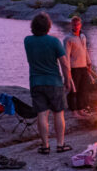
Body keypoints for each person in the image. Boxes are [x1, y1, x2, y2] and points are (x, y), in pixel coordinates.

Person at [24, 12, 74, 154]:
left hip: (36, 82)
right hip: (54, 82)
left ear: (33, 26)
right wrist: (68, 80)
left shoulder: (27, 41)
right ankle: (60, 144)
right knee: (58, 113)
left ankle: (45, 145)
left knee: (41, 114)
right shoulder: (54, 42)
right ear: (48, 26)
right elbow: (64, 64)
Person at [63, 16, 94, 117]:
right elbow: (66, 56)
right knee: (73, 90)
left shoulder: (83, 37)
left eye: (78, 24)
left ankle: (81, 109)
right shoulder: (68, 39)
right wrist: (67, 71)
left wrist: (89, 63)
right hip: (73, 68)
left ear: (81, 25)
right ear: (71, 25)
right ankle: (73, 110)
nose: (76, 26)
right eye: (74, 24)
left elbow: (85, 50)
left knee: (83, 89)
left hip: (83, 67)